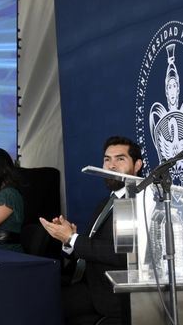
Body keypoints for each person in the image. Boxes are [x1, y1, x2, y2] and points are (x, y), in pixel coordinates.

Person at [40, 136, 143, 325]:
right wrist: (67, 241)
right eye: (107, 159)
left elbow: (123, 255)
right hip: (85, 284)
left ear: (137, 165)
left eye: (120, 159)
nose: (111, 166)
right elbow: (90, 246)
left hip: (109, 295)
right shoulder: (106, 202)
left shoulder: (137, 201)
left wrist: (73, 238)